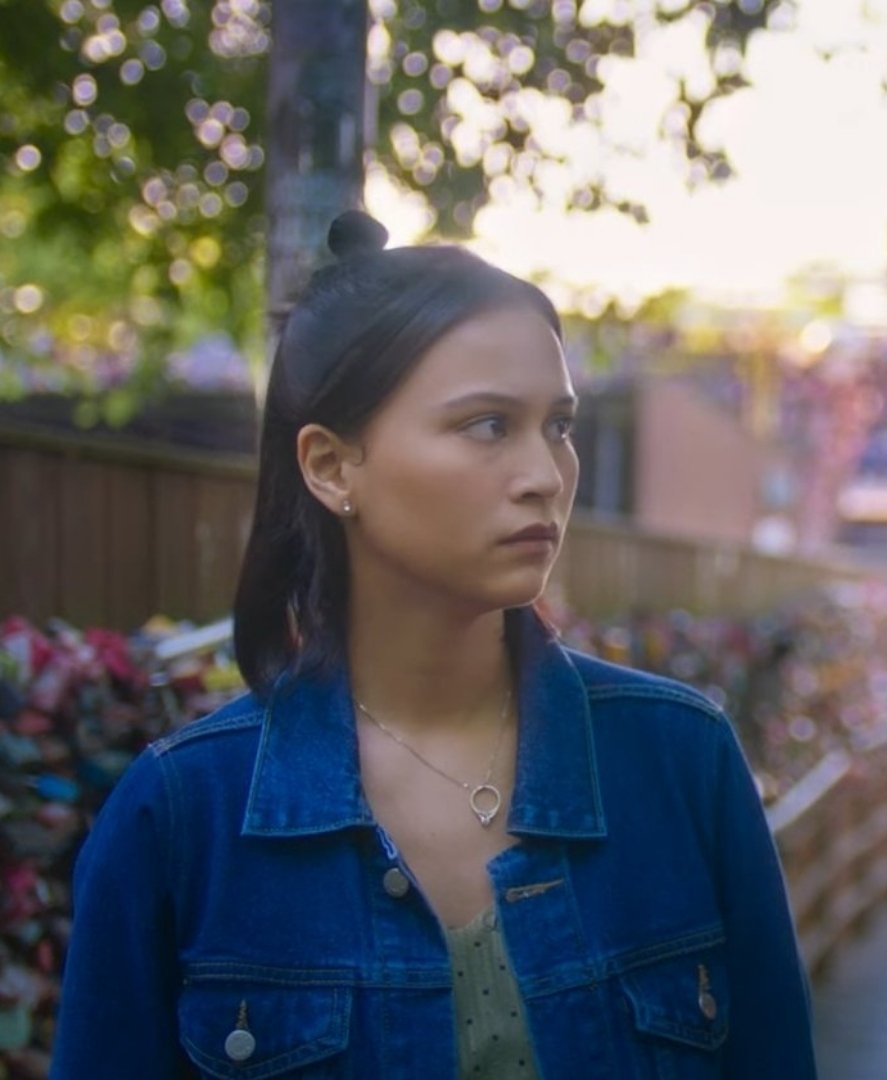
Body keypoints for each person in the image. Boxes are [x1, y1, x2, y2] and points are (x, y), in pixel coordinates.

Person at [53, 212, 818, 1078]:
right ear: (331, 466)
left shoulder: (680, 761)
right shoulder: (182, 815)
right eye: (488, 425)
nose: (544, 476)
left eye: (559, 427)